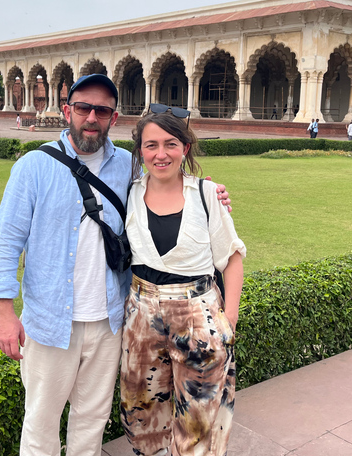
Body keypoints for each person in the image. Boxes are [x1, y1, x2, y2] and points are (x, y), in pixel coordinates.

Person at [0, 74, 231, 456]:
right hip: (52, 320)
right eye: (83, 107)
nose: (91, 117)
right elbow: (7, 241)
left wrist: (208, 192)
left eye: (101, 110)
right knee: (40, 421)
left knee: (91, 420)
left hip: (108, 321)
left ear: (113, 118)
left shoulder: (128, 167)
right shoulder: (33, 167)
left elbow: (165, 179)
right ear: (67, 110)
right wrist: (4, 310)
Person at [121, 108, 245, 456]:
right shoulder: (129, 193)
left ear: (185, 148)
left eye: (170, 144)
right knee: (140, 415)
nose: (161, 154)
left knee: (197, 421)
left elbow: (232, 258)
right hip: (140, 313)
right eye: (151, 145)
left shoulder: (206, 196)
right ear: (141, 151)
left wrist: (229, 319)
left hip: (196, 312)